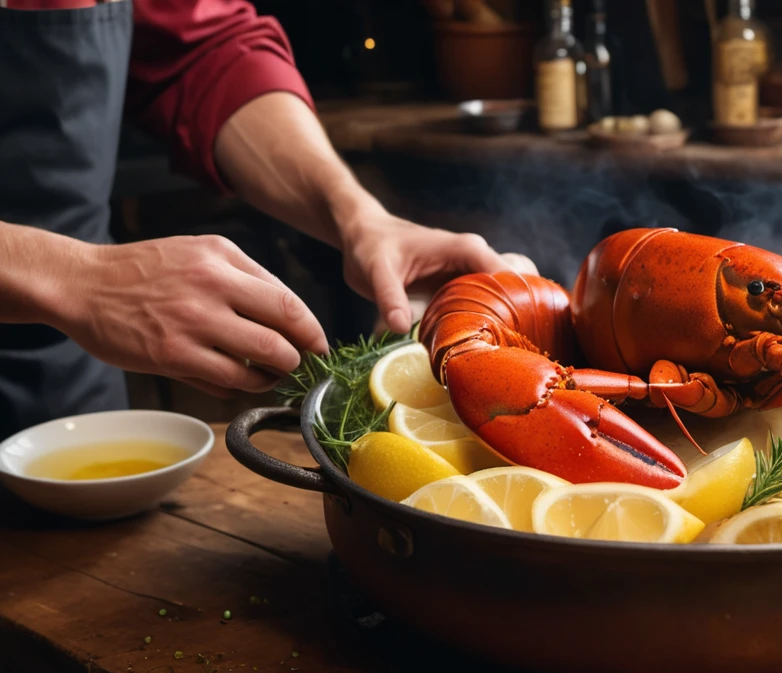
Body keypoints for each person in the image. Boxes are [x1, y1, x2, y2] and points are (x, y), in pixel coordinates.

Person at [0, 0, 535, 436]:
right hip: (81, 309)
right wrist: (76, 277)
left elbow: (206, 53)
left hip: (67, 399)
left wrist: (356, 215)